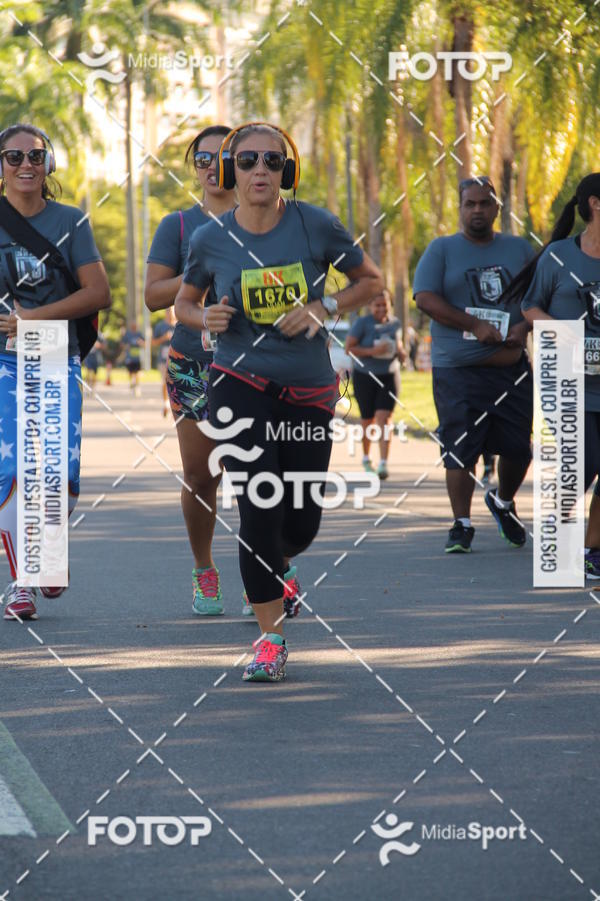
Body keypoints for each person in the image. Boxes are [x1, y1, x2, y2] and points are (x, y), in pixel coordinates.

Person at [175, 122, 383, 681]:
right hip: (237, 385)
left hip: (309, 392)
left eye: (271, 161)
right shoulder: (209, 239)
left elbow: (370, 280)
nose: (259, 170)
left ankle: (283, 560)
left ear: (285, 171)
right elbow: (183, 305)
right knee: (258, 509)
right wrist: (205, 317)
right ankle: (270, 639)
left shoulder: (316, 225)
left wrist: (324, 306)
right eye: (246, 162)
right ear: (228, 172)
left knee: (300, 523)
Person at [0, 123, 110, 620]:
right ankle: (25, 578)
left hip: (52, 351)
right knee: (12, 469)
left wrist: (30, 320)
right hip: (1, 358)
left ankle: (47, 551)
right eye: (14, 156)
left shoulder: (70, 220)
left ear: (49, 165)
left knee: (56, 472)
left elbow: (97, 293)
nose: (26, 164)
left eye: (35, 156)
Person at [413, 176, 535, 553]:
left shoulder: (521, 250)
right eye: (471, 204)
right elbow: (425, 298)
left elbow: (543, 295)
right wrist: (473, 325)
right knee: (460, 448)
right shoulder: (442, 250)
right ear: (460, 207)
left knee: (518, 449)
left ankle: (503, 501)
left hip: (510, 367)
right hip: (458, 370)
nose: (478, 210)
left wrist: (523, 325)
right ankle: (461, 524)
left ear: (497, 207)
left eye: (485, 203)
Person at [145, 124, 237, 616]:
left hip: (255, 362)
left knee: (258, 473)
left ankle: (264, 573)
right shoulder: (177, 226)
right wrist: (202, 268)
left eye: (223, 156)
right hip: (192, 363)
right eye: (202, 158)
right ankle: (205, 569)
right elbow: (154, 297)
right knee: (202, 476)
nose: (211, 165)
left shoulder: (270, 221)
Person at [506, 173, 600, 579]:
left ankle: (593, 551)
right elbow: (530, 306)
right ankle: (559, 532)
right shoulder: (560, 255)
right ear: (595, 204)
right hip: (568, 383)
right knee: (583, 464)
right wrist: (566, 337)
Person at [345, 289, 405, 479]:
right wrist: (373, 351)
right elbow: (349, 349)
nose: (381, 308)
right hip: (365, 375)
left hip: (389, 374)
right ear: (370, 306)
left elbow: (400, 345)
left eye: (384, 304)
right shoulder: (362, 323)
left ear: (390, 304)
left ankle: (383, 463)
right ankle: (366, 457)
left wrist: (401, 353)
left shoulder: (395, 323)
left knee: (384, 419)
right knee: (367, 420)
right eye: (377, 305)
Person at [152, 306, 175, 416]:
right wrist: (164, 338)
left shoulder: (180, 325)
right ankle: (166, 403)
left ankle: (174, 404)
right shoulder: (160, 326)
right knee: (166, 380)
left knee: (174, 382)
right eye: (169, 312)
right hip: (163, 358)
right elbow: (153, 342)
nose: (170, 314)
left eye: (172, 312)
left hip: (176, 359)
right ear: (166, 314)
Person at [121, 319, 144, 396]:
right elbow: (122, 344)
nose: (134, 327)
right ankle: (132, 382)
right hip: (129, 357)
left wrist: (141, 343)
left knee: (137, 372)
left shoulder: (139, 334)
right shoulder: (127, 334)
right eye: (133, 326)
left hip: (137, 357)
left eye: (135, 326)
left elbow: (144, 344)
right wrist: (126, 346)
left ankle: (136, 385)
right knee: (130, 371)